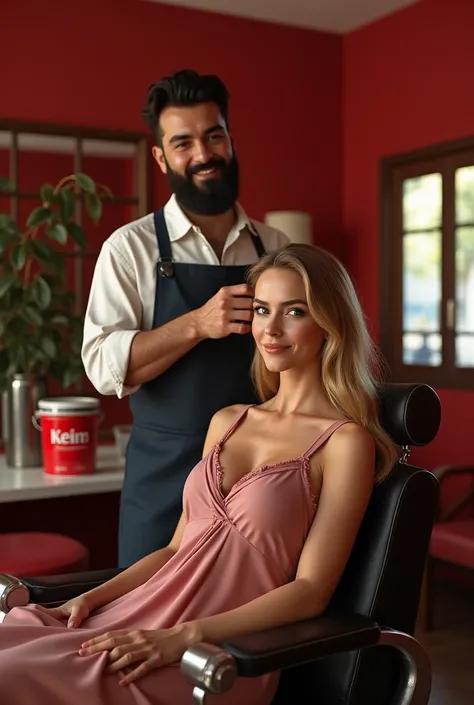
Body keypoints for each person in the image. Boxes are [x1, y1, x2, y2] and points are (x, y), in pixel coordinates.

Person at [0, 243, 398, 705]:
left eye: (294, 311)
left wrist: (183, 638)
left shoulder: (346, 442)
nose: (269, 329)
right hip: (141, 615)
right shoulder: (228, 421)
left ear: (331, 323)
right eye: (262, 309)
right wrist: (94, 597)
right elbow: (175, 549)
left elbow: (310, 593)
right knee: (13, 644)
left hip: (215, 658)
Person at [81, 69, 289, 568]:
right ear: (161, 157)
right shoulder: (130, 249)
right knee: (147, 631)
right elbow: (105, 367)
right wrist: (196, 324)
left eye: (214, 135)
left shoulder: (278, 247)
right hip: (164, 482)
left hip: (262, 482)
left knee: (250, 630)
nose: (203, 154)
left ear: (230, 140)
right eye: (183, 142)